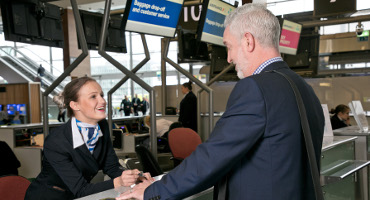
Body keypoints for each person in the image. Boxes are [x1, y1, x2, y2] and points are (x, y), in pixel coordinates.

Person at [117, 3, 324, 200]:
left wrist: (154, 191)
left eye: (229, 46)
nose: (228, 58)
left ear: (248, 41)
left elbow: (213, 157)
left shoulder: (255, 88)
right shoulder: (303, 88)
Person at [25, 77, 152, 200]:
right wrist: (118, 182)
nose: (103, 101)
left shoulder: (102, 126)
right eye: (93, 97)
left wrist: (132, 176)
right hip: (49, 197)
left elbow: (112, 167)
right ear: (75, 105)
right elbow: (81, 189)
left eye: (101, 95)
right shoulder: (56, 141)